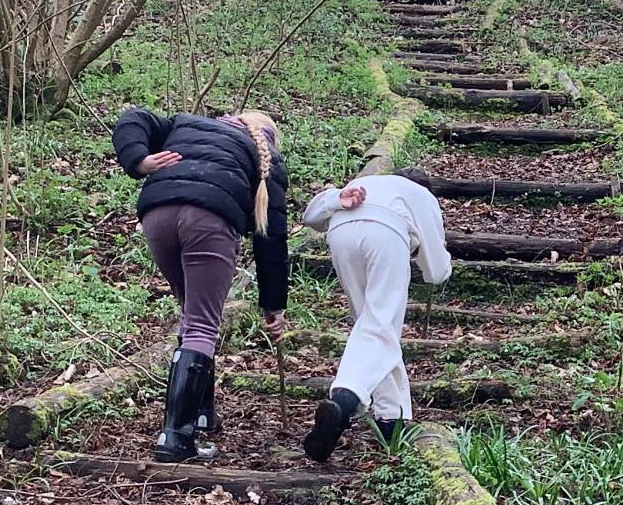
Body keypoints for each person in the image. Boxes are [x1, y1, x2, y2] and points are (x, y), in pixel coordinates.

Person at [112, 107, 289, 462]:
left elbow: (133, 118)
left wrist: (139, 161)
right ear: (269, 137)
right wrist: (274, 306)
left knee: (192, 316)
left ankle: (201, 414)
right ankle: (176, 439)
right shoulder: (265, 159)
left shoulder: (185, 124)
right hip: (209, 219)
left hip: (157, 215)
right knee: (202, 324)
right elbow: (270, 239)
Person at [298, 173, 453, 460]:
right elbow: (436, 270)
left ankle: (392, 418)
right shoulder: (422, 195)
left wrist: (336, 200)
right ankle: (345, 398)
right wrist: (436, 265)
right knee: (380, 327)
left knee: (372, 326)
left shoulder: (367, 181)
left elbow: (311, 216)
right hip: (386, 233)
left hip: (340, 232)